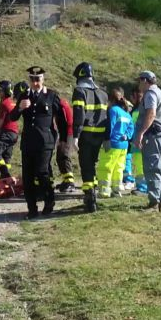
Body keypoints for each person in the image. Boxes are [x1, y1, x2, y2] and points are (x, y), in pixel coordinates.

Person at [10, 66, 68, 219]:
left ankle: (49, 201)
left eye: (38, 79)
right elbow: (12, 117)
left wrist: (63, 139)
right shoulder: (24, 95)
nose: (35, 83)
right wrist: (20, 108)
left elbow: (61, 119)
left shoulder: (51, 95)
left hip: (45, 141)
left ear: (43, 79)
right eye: (32, 79)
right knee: (27, 176)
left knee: (42, 172)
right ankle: (32, 208)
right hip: (29, 142)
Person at [71, 62, 108, 212]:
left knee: (86, 166)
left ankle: (89, 199)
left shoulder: (80, 92)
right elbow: (107, 117)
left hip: (85, 134)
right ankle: (92, 195)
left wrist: (75, 136)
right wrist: (107, 137)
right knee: (92, 164)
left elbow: (79, 114)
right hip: (99, 136)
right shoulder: (103, 93)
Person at [133, 70, 161, 212]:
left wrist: (141, 133)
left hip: (152, 136)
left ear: (145, 80)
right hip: (159, 135)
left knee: (151, 168)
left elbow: (151, 113)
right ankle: (160, 201)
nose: (138, 84)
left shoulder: (150, 94)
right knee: (158, 169)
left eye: (139, 81)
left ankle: (154, 203)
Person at [97, 87, 134, 198]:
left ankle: (104, 191)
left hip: (112, 144)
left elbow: (110, 126)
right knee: (118, 168)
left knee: (106, 167)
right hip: (123, 145)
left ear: (110, 100)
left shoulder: (113, 111)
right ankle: (116, 190)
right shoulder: (126, 113)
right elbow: (131, 128)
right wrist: (127, 136)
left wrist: (106, 139)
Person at [0, 80, 18, 179]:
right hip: (14, 134)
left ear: (5, 91)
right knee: (6, 156)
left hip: (7, 132)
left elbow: (1, 120)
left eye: (0, 91)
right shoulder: (11, 102)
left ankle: (6, 175)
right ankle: (4, 178)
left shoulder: (4, 103)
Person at [129, 85, 148, 195]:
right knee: (138, 164)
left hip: (139, 142)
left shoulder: (141, 110)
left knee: (141, 165)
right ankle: (141, 186)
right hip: (136, 142)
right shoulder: (137, 109)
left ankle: (143, 187)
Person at [55, 97, 75, 192]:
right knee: (60, 157)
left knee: (64, 156)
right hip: (66, 133)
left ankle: (70, 182)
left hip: (67, 133)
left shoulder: (60, 105)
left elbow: (66, 122)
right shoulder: (62, 103)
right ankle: (66, 180)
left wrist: (63, 138)